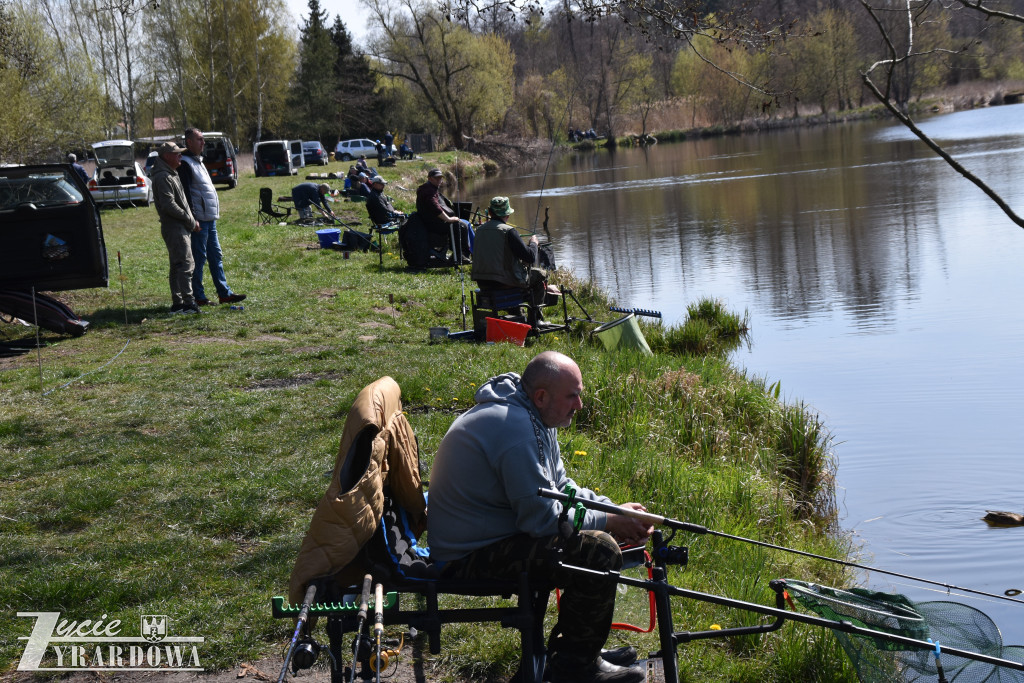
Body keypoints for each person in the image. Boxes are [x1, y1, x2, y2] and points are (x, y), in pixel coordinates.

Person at [428, 351, 652, 683]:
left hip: (493, 536)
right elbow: (542, 521)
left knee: (595, 541)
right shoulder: (515, 430)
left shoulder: (533, 416)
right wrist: (609, 523)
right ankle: (574, 668)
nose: (579, 405)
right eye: (572, 396)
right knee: (598, 551)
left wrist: (611, 509)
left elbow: (560, 488)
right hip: (465, 556)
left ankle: (577, 652)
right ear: (542, 396)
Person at [178, 128, 246, 306]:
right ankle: (199, 297)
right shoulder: (185, 163)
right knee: (199, 258)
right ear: (189, 142)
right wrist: (193, 218)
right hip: (199, 220)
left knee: (216, 255)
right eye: (199, 139)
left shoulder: (198, 161)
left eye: (203, 140)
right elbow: (186, 194)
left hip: (209, 218)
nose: (203, 142)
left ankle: (224, 293)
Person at [471, 196, 549, 322]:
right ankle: (535, 319)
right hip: (502, 283)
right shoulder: (509, 231)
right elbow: (530, 257)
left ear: (490, 213)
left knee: (511, 275)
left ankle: (517, 313)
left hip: (483, 282)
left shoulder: (479, 230)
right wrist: (533, 243)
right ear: (507, 214)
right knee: (540, 275)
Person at [150, 141, 201, 315]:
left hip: (179, 226)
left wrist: (190, 220)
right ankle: (187, 304)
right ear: (166, 156)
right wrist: (190, 220)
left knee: (177, 265)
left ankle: (179, 303)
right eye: (177, 153)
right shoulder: (163, 176)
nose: (180, 156)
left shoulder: (171, 173)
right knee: (185, 264)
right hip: (175, 227)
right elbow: (168, 205)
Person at [415, 168, 472, 263]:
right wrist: (448, 219)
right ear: (429, 178)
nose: (439, 180)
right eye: (436, 178)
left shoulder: (430, 188)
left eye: (440, 178)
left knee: (462, 224)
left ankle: (459, 254)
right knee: (459, 226)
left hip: (432, 221)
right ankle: (458, 256)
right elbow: (434, 207)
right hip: (430, 224)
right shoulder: (428, 190)